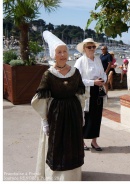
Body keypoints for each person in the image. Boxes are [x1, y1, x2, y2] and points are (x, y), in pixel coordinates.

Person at [32, 31, 86, 181]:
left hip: (73, 112)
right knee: (56, 144)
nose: (63, 55)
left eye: (65, 51)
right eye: (59, 52)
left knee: (73, 143)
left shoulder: (75, 72)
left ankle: (72, 176)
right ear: (53, 55)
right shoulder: (48, 74)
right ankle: (56, 176)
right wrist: (44, 120)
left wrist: (81, 113)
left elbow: (81, 94)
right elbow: (40, 98)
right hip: (55, 113)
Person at [74, 38, 107, 152]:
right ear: (84, 49)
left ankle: (94, 141)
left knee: (97, 117)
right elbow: (77, 79)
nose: (92, 49)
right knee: (84, 117)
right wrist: (93, 82)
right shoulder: (80, 61)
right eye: (89, 47)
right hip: (86, 93)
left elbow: (103, 73)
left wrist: (103, 80)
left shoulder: (97, 59)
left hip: (98, 91)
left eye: (93, 47)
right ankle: (81, 141)